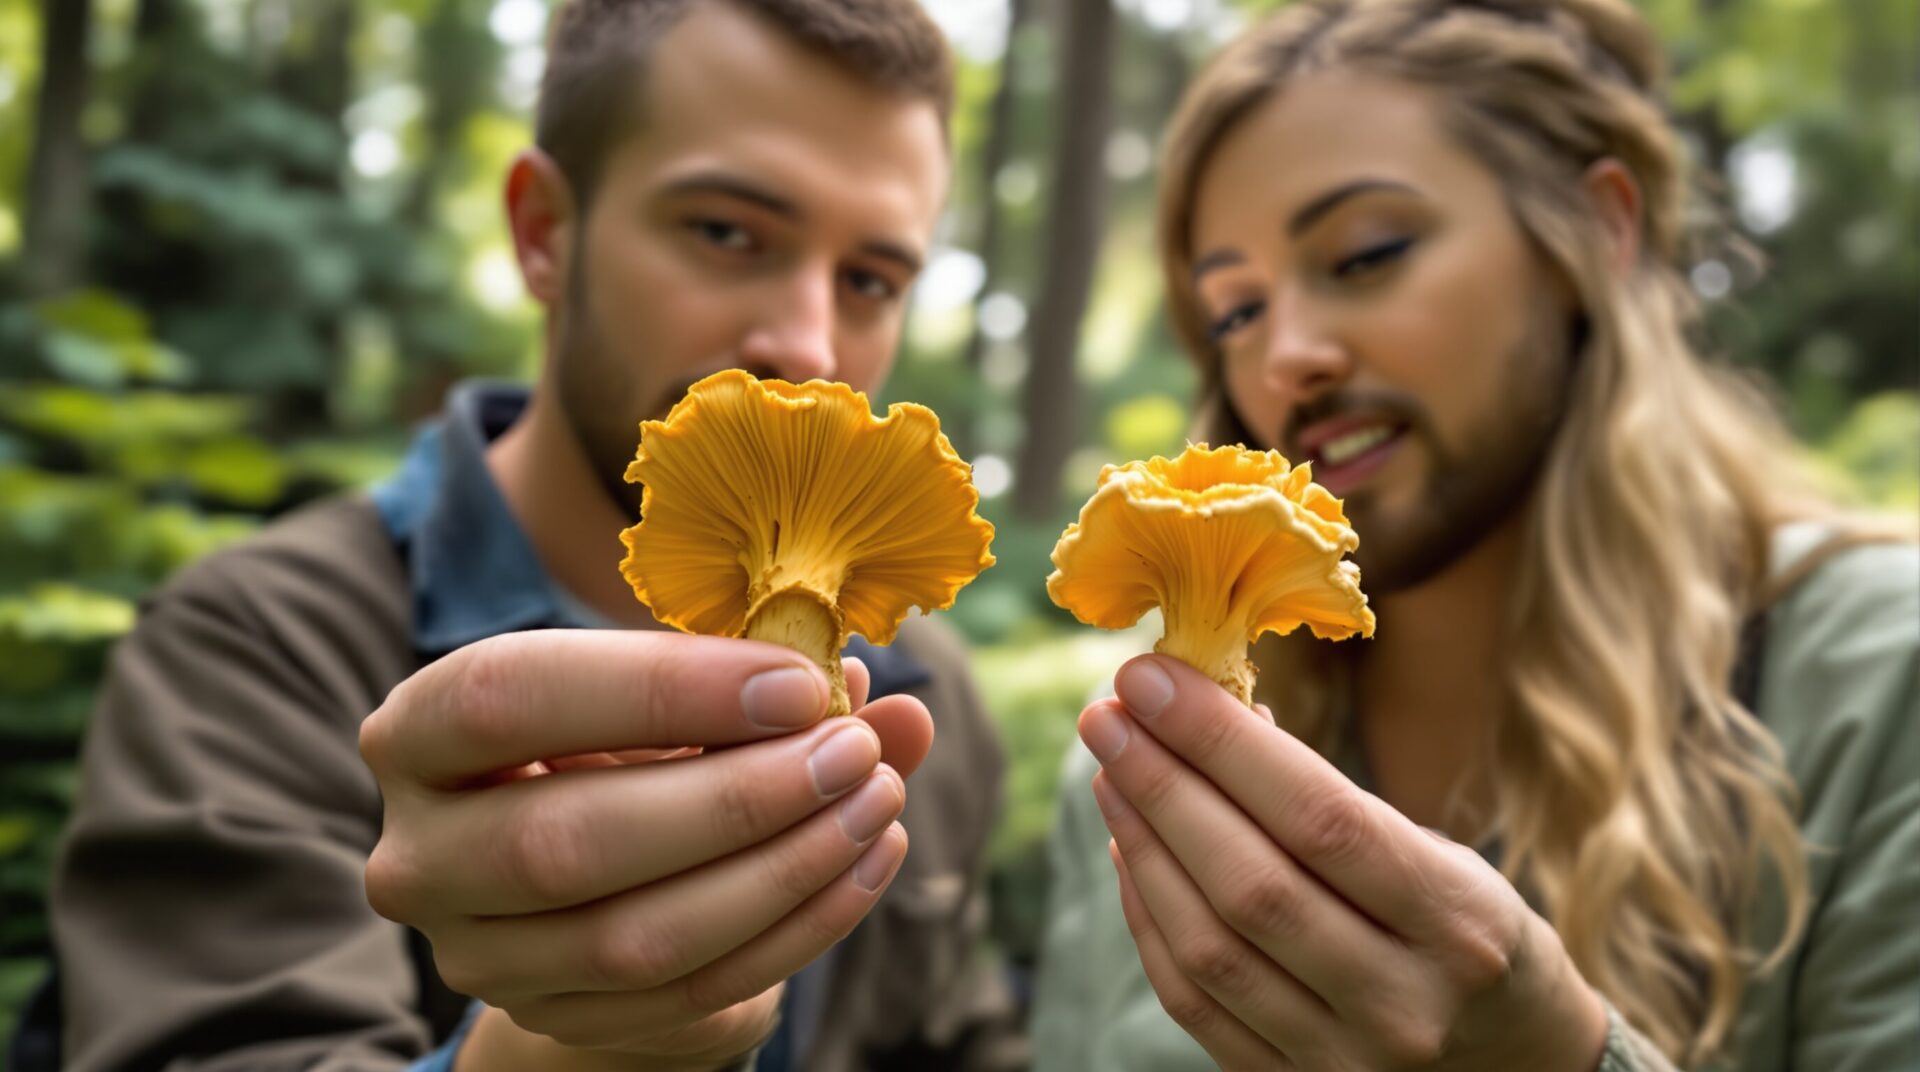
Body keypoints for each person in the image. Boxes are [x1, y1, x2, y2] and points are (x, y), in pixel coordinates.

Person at [20, 2, 1026, 1070]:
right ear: (545, 231)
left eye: (870, 280)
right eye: (726, 231)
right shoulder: (259, 647)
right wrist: (571, 1053)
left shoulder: (924, 691)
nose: (807, 344)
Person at [1031, 0, 1918, 1069]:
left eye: (1365, 254)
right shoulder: (1138, 764)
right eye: (1234, 312)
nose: (1287, 357)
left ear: (1598, 231)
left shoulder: (1883, 683)